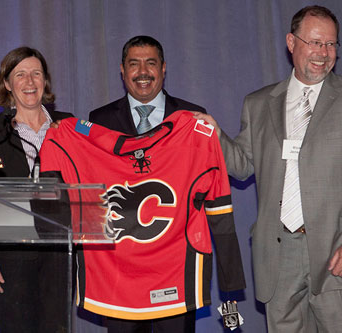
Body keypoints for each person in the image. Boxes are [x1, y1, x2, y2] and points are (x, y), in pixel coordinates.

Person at [194, 5, 342, 332]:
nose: (323, 53)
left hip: (338, 252)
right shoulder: (257, 104)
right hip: (277, 255)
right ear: (291, 42)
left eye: (331, 45)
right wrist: (215, 137)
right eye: (314, 42)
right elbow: (242, 165)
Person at [87, 36, 242, 332]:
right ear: (122, 70)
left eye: (151, 63)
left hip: (175, 269)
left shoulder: (193, 117)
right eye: (134, 64)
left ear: (164, 68)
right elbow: (94, 194)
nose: (143, 72)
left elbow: (215, 186)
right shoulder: (99, 120)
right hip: (121, 272)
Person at [0, 46, 73, 333]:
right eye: (21, 75)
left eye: (36, 74)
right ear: (7, 84)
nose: (30, 82)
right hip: (11, 253)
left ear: (45, 81)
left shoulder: (68, 125)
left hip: (60, 253)